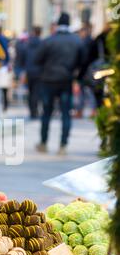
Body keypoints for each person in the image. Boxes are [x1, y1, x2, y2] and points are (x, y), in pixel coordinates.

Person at [35, 12, 82, 155]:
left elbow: (37, 59)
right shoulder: (76, 41)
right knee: (66, 114)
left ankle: (43, 143)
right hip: (66, 81)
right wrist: (75, 76)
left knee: (46, 112)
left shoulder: (49, 40)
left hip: (48, 80)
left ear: (57, 24)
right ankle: (63, 145)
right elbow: (82, 61)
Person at [20, 26, 42, 119]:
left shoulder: (27, 44)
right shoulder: (43, 44)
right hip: (39, 71)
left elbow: (22, 58)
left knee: (30, 91)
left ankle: (32, 111)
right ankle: (35, 110)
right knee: (36, 92)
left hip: (29, 71)